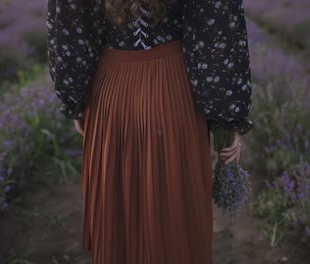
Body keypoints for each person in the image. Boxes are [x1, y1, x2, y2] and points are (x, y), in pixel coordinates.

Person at [46, 0, 254, 263]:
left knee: (119, 212)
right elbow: (217, 31)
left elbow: (70, 33)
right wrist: (227, 118)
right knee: (175, 208)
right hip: (174, 91)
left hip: (111, 94)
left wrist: (75, 101)